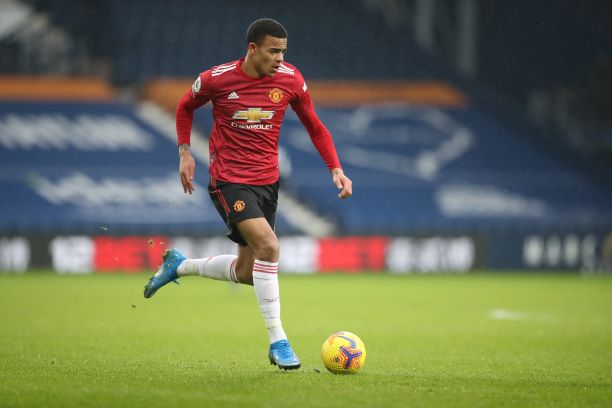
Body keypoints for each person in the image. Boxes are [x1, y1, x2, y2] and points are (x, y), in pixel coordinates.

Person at [144, 18, 352, 370]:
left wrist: (336, 168)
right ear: (253, 49)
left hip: (267, 183)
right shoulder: (218, 78)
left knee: (246, 272)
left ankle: (179, 266)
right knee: (269, 247)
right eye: (273, 51)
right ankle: (279, 342)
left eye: (284, 51)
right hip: (229, 180)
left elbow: (315, 126)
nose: (280, 58)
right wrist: (184, 152)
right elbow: (184, 107)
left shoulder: (291, 79)